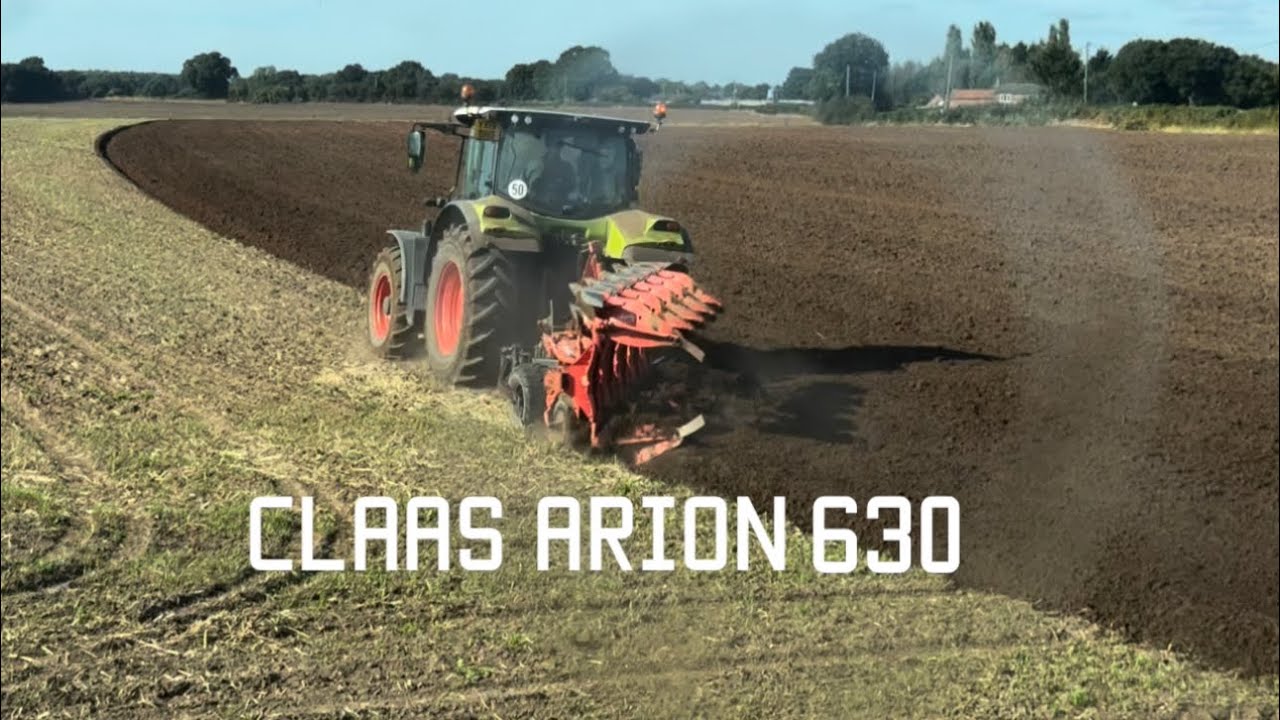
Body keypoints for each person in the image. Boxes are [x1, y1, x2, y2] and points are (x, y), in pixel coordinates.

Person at [530, 139, 576, 206]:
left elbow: (572, 186)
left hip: (557, 207)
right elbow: (529, 183)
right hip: (534, 203)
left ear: (559, 149)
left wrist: (559, 186)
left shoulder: (566, 167)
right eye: (550, 146)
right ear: (547, 147)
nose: (553, 149)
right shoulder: (536, 163)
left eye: (556, 147)